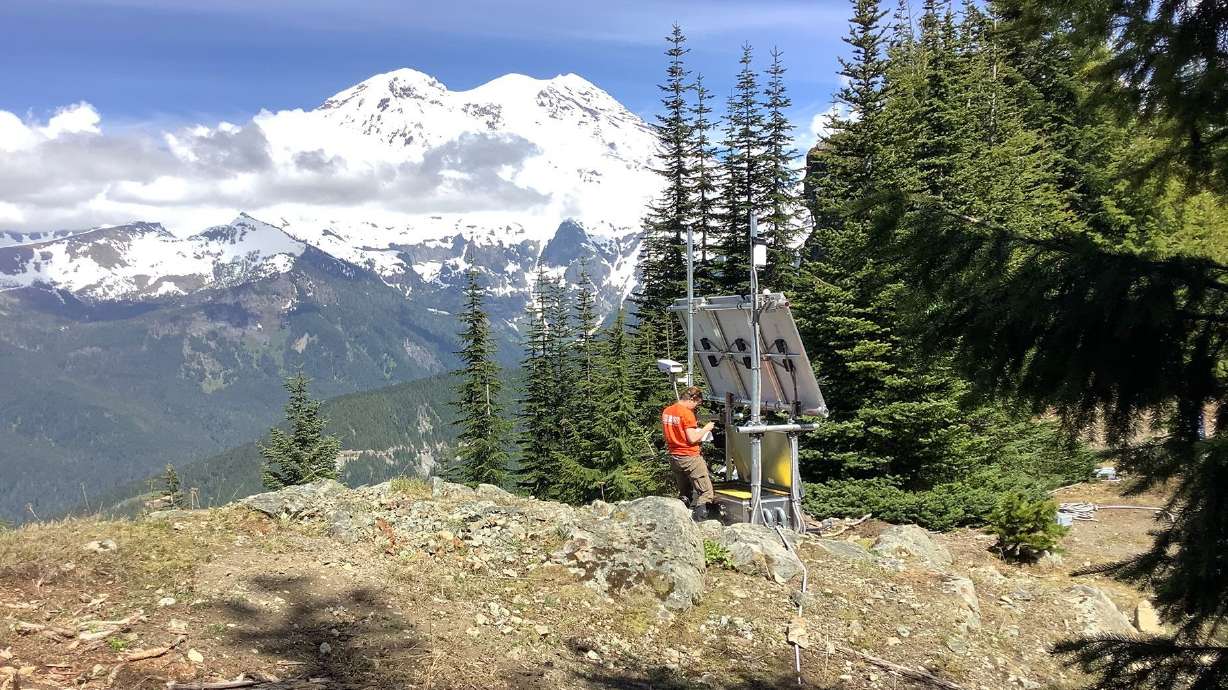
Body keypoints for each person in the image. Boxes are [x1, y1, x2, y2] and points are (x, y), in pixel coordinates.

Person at [662, 386, 718, 521]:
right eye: (697, 403)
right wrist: (706, 428)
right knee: (706, 492)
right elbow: (693, 438)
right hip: (690, 457)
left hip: (674, 457)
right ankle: (700, 525)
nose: (696, 406)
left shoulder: (667, 411)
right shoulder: (687, 414)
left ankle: (681, 521)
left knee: (684, 492)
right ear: (693, 398)